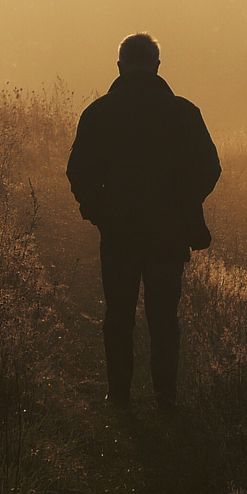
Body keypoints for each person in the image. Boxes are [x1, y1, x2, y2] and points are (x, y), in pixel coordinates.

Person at [66, 33, 221, 414]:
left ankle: (119, 396)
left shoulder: (99, 113)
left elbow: (78, 172)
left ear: (120, 67)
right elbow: (209, 168)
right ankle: (165, 399)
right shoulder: (183, 112)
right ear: (157, 65)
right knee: (164, 319)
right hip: (167, 233)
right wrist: (184, 204)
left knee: (118, 316)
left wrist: (99, 212)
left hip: (118, 233)